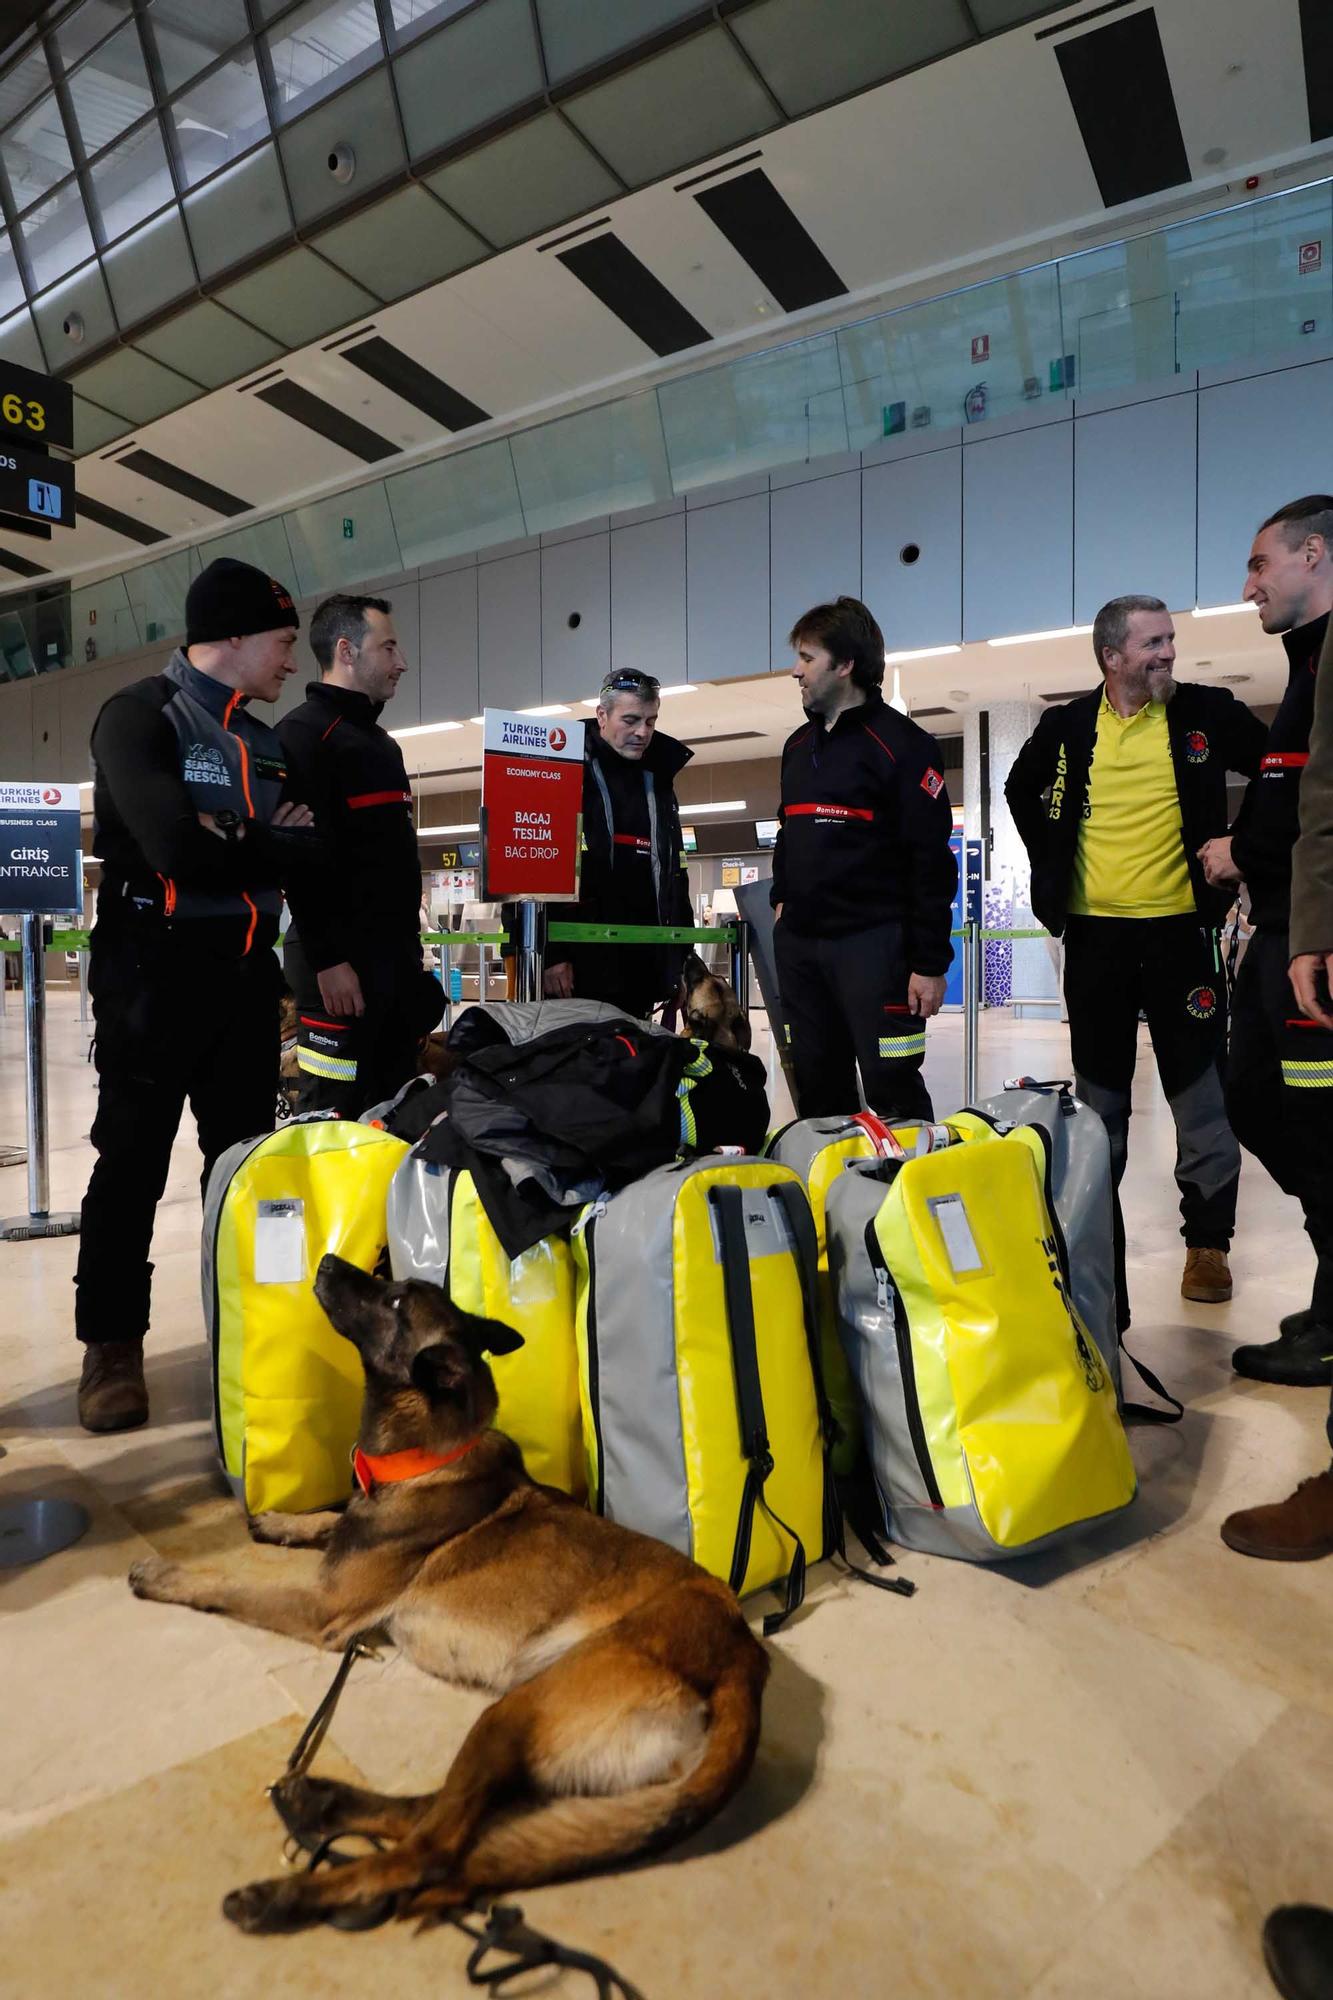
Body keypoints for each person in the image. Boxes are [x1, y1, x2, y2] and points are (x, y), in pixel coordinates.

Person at [74, 557, 315, 1434]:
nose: (293, 660)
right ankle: (110, 1348)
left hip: (246, 982)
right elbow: (175, 847)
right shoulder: (138, 717)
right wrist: (267, 844)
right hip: (151, 976)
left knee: (243, 1169)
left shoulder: (266, 742)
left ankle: (247, 1331)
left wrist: (242, 840)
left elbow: (290, 848)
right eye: (285, 641)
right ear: (237, 635)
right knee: (131, 1165)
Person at [1007, 596, 1265, 1331]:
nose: (1167, 653)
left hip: (1181, 937)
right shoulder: (1063, 728)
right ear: (1110, 656)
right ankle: (1094, 1237)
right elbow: (1019, 790)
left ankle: (1207, 1245)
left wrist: (1240, 847)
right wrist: (1055, 862)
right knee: (1100, 1103)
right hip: (1093, 945)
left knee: (1200, 1098)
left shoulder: (1207, 715)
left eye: (1170, 640)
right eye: (1151, 643)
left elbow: (1282, 773)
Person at [1198, 496, 1333, 1394]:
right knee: (1251, 1099)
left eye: (1259, 565)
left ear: (1312, 552)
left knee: (1317, 1121)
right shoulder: (1305, 665)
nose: (1248, 585)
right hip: (1283, 930)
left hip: (1312, 943)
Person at [771, 595, 956, 1120]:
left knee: (891, 1083)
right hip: (803, 950)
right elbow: (788, 834)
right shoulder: (796, 746)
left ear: (846, 664)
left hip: (875, 949)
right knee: (816, 1086)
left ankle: (909, 1194)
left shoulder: (903, 745)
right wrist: (781, 900)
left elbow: (931, 862)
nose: (796, 671)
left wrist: (929, 964)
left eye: (807, 658)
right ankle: (834, 1193)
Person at [278, 593, 439, 1116]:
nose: (402, 662)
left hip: (392, 968)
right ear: (347, 651)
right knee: (332, 1116)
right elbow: (300, 861)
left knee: (395, 1111)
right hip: (337, 973)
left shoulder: (382, 746)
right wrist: (329, 960)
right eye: (388, 647)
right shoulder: (302, 737)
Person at [539, 668, 693, 1018]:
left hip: (643, 964)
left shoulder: (658, 780)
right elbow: (537, 864)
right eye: (631, 719)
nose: (643, 732)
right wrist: (553, 955)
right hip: (582, 968)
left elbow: (674, 873)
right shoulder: (564, 772)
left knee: (640, 1064)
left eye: (651, 721)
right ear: (602, 716)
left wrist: (679, 959)